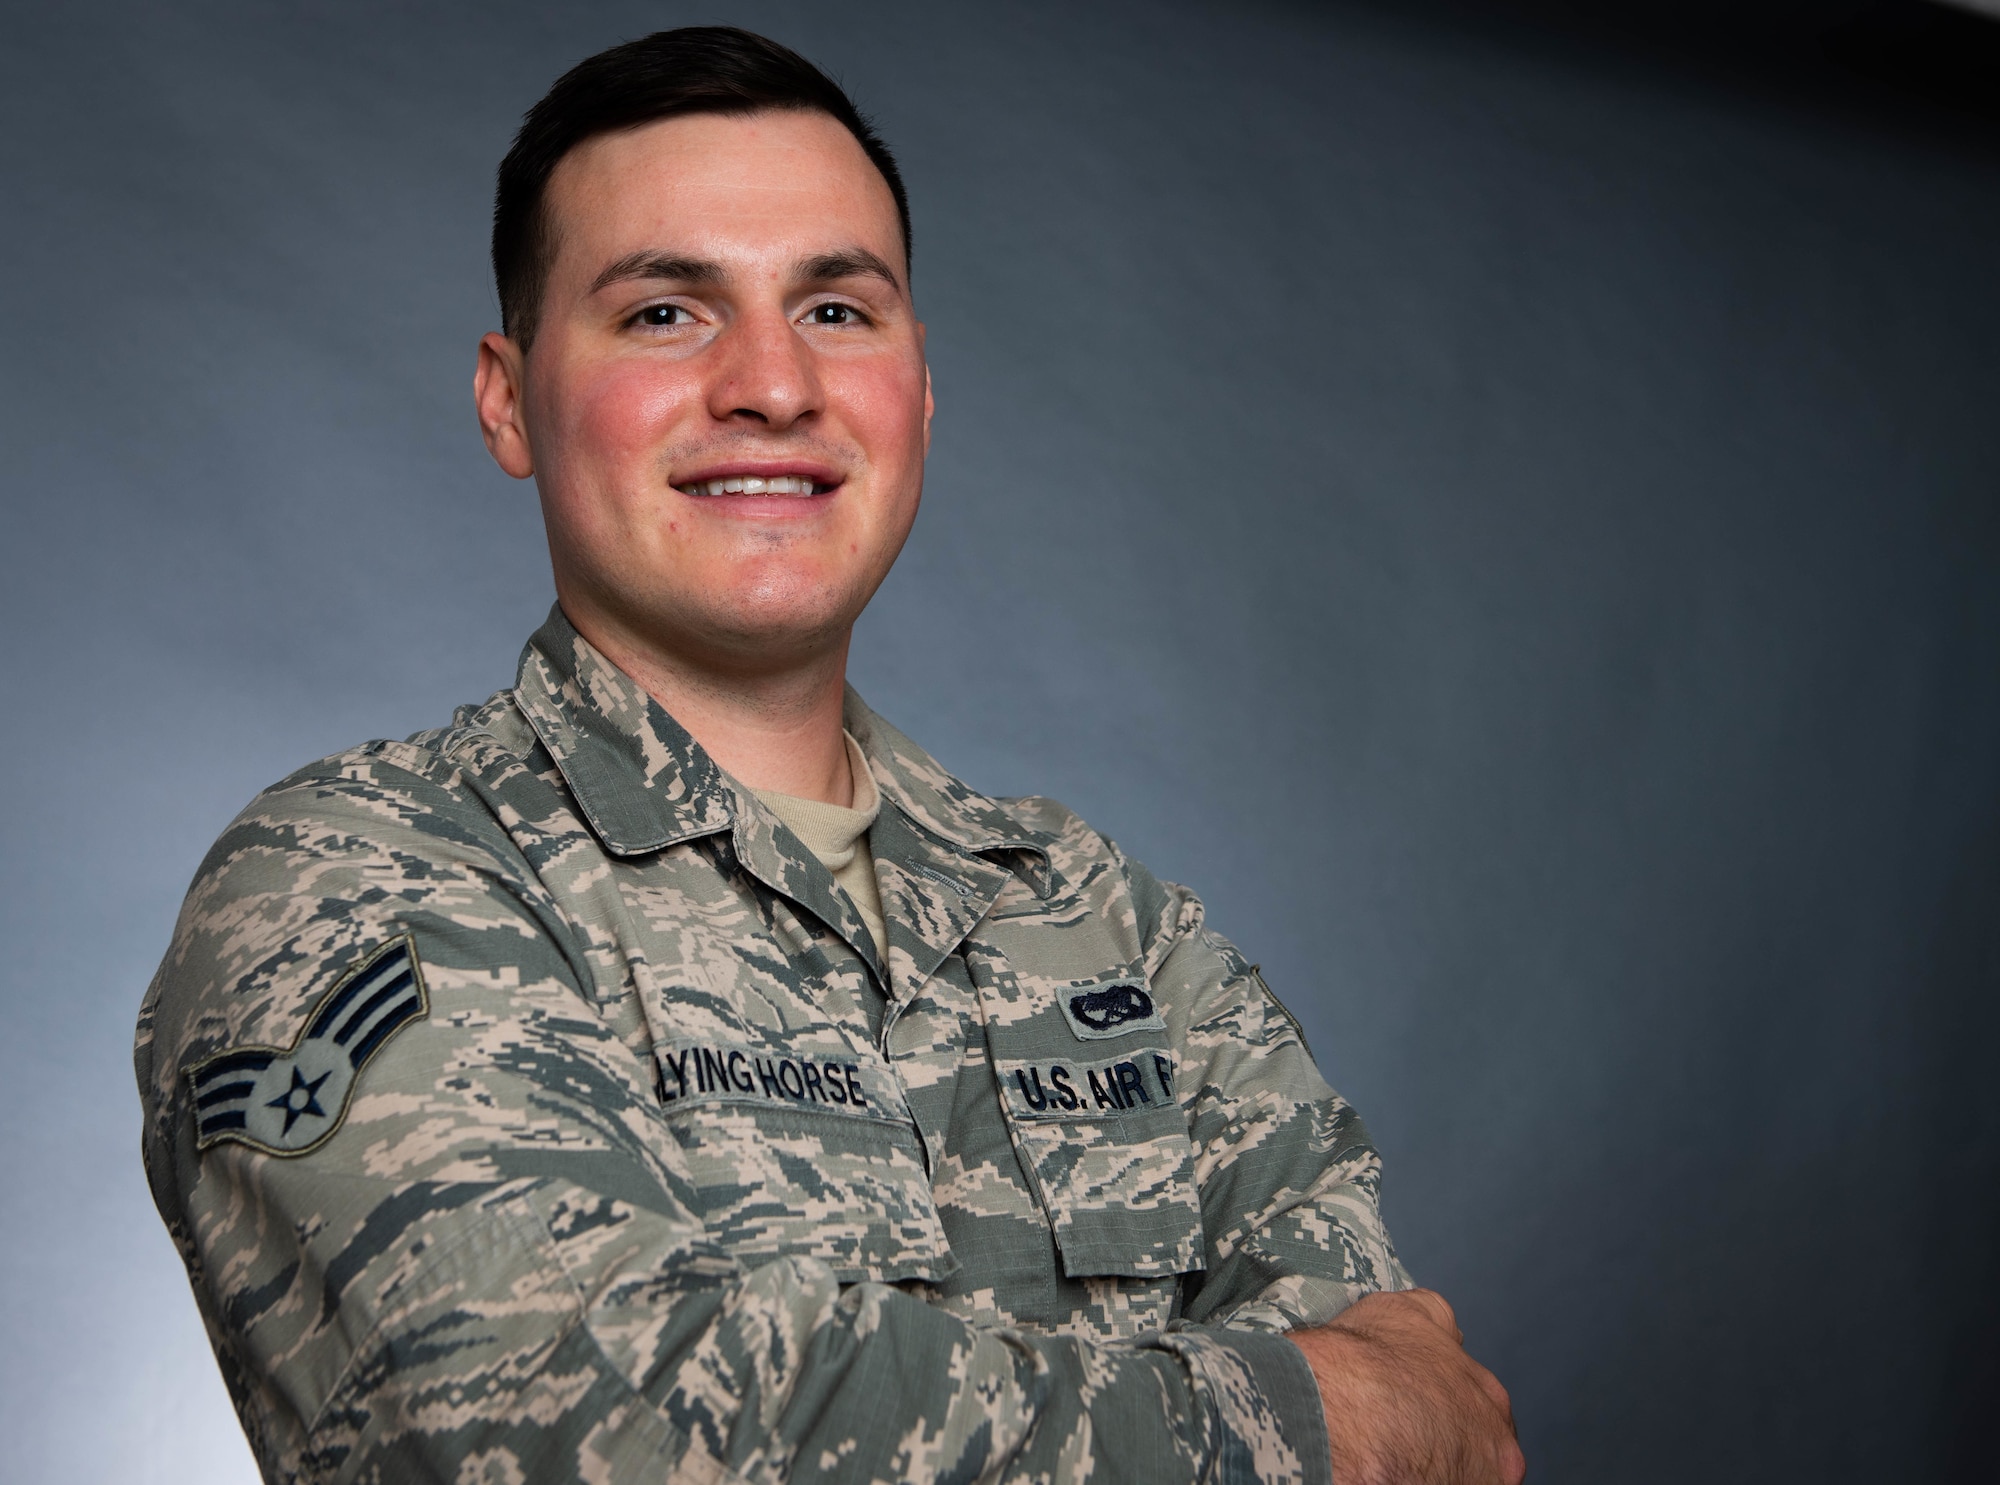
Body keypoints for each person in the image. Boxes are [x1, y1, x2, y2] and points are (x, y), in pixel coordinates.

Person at [135, 26, 1523, 1485]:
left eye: (839, 310)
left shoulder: (1110, 926)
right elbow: (581, 1434)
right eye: (667, 311)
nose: (773, 385)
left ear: (919, 390)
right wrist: (1315, 1419)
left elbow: (1439, 1416)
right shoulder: (348, 882)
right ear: (507, 398)